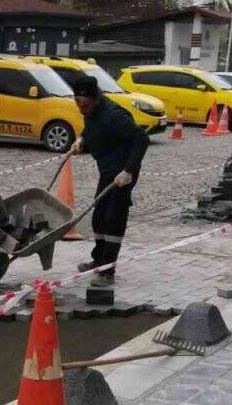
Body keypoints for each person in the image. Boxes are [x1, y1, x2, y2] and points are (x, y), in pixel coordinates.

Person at [68, 75, 149, 284]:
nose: (81, 109)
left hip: (123, 173)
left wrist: (129, 170)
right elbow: (91, 128)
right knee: (99, 217)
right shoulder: (91, 111)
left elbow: (141, 139)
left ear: (95, 99)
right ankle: (98, 260)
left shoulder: (114, 115)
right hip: (107, 171)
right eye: (77, 103)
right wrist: (81, 140)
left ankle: (107, 270)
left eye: (84, 105)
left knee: (114, 219)